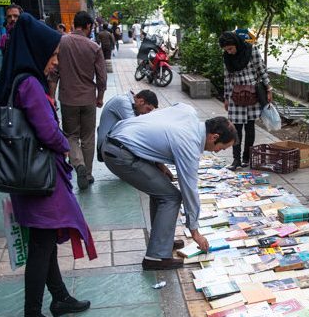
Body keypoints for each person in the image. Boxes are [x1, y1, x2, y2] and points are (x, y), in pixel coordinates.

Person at [0, 13, 95, 317]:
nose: (53, 61)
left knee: (45, 240)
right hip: (39, 177)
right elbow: (48, 131)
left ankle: (60, 298)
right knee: (42, 243)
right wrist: (65, 145)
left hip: (27, 175)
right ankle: (33, 316)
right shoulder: (29, 83)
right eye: (51, 54)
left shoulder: (14, 79)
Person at [100, 103, 237, 270]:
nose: (217, 152)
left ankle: (162, 241)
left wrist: (159, 165)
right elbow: (189, 189)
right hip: (120, 154)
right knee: (171, 196)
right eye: (221, 148)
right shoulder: (190, 144)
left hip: (119, 141)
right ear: (214, 137)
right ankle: (156, 257)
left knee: (162, 190)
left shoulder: (187, 110)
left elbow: (157, 132)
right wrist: (195, 231)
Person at [48, 10, 106, 190]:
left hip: (67, 98)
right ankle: (87, 174)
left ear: (74, 24)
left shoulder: (61, 42)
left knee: (71, 135)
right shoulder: (94, 47)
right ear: (88, 26)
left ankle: (78, 164)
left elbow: (53, 73)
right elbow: (101, 77)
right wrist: (100, 96)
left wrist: (51, 96)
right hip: (88, 98)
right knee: (88, 137)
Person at [218, 31, 272, 170]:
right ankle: (236, 160)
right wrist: (226, 97)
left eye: (230, 48)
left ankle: (247, 158)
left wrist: (268, 89)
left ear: (236, 43)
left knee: (249, 127)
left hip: (252, 95)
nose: (229, 52)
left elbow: (261, 69)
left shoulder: (251, 49)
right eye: (226, 50)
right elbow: (227, 78)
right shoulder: (227, 56)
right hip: (236, 95)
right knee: (236, 128)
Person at [96, 89, 158, 160]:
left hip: (111, 142)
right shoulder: (123, 101)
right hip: (106, 145)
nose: (147, 113)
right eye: (148, 109)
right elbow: (135, 128)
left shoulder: (130, 102)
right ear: (141, 101)